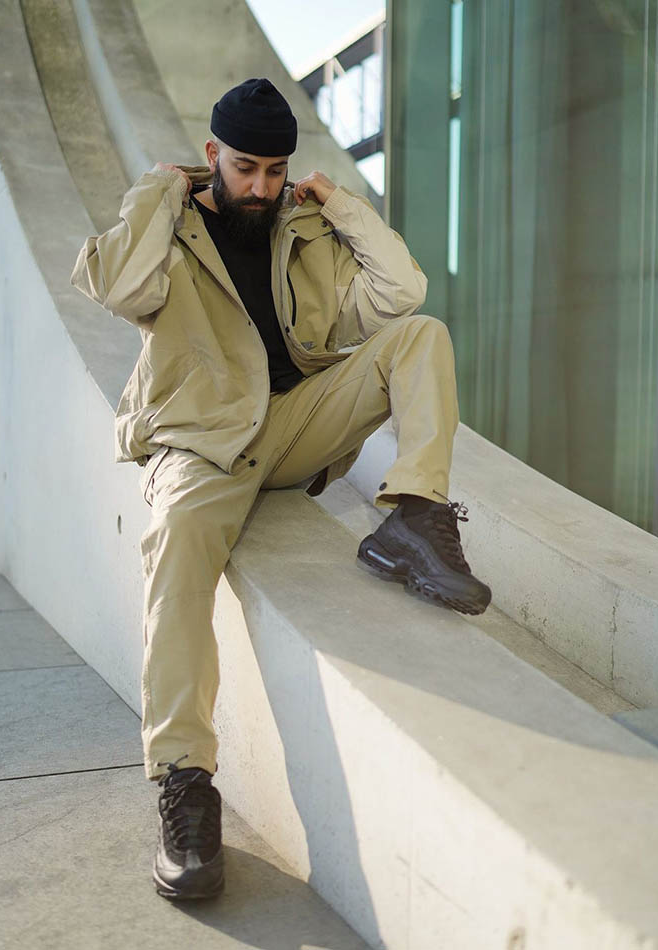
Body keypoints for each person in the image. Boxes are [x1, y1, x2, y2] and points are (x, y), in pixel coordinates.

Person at [71, 77, 491, 900]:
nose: (260, 186)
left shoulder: (302, 227)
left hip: (292, 424)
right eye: (244, 168)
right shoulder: (174, 224)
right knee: (178, 553)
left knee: (421, 339)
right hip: (200, 441)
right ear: (212, 157)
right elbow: (120, 290)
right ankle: (185, 784)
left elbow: (401, 294)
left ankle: (414, 515)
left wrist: (336, 201)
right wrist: (158, 191)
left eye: (274, 170)